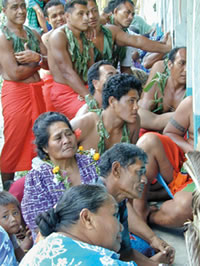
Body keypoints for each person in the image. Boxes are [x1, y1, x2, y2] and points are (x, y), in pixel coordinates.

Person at [21, 112, 100, 241]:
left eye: (69, 134)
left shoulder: (90, 162)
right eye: (58, 138)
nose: (67, 140)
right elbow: (38, 225)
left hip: (100, 232)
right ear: (45, 147)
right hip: (60, 242)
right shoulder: (37, 178)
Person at [20, 185, 139, 265]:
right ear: (87, 218)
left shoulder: (37, 253)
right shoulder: (101, 262)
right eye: (114, 215)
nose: (121, 227)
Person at [97, 143, 175, 265]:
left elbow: (125, 252)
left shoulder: (119, 201)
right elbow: (105, 259)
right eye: (139, 172)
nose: (144, 179)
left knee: (146, 249)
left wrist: (153, 263)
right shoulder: (96, 203)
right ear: (116, 170)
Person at [0, 0, 48, 187]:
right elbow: (14, 73)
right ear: (4, 11)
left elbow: (50, 63)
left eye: (22, 6)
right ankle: (7, 193)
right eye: (14, 7)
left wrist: (38, 58)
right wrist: (37, 62)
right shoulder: (3, 36)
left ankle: (40, 187)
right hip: (16, 94)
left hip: (37, 91)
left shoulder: (33, 33)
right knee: (14, 141)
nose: (20, 11)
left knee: (41, 137)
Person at [137, 96, 194, 227]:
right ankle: (139, 212)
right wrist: (192, 151)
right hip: (183, 167)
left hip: (195, 185)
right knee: (148, 142)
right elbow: (170, 133)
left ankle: (151, 217)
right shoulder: (192, 102)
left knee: (184, 207)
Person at [76, 60, 174, 133]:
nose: (116, 79)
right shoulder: (86, 114)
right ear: (95, 83)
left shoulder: (128, 107)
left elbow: (156, 121)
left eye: (117, 75)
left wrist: (187, 111)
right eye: (110, 76)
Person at [87, 0, 172, 72]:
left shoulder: (121, 33)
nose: (130, 17)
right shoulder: (95, 31)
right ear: (115, 11)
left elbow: (138, 41)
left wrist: (164, 46)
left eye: (132, 14)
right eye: (127, 13)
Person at [71, 73, 141, 155]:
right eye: (131, 101)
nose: (136, 107)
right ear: (112, 101)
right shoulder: (85, 123)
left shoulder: (133, 123)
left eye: (137, 101)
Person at [47, 0, 94, 120]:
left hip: (84, 88)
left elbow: (91, 68)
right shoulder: (58, 36)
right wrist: (89, 97)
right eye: (80, 14)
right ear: (67, 16)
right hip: (64, 93)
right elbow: (67, 73)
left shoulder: (85, 35)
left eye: (87, 14)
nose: (86, 18)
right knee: (94, 114)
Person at [139, 47, 186, 114]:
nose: (186, 69)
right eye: (182, 63)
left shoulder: (192, 91)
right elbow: (143, 107)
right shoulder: (156, 77)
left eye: (189, 65)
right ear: (170, 65)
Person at [41, 0, 66, 111]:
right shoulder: (46, 38)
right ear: (48, 20)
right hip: (53, 81)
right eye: (54, 16)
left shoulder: (78, 34)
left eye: (62, 13)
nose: (60, 18)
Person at [0, 191, 33, 262]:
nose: (13, 219)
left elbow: (21, 259)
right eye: (5, 216)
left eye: (15, 213)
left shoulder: (10, 236)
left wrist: (28, 239)